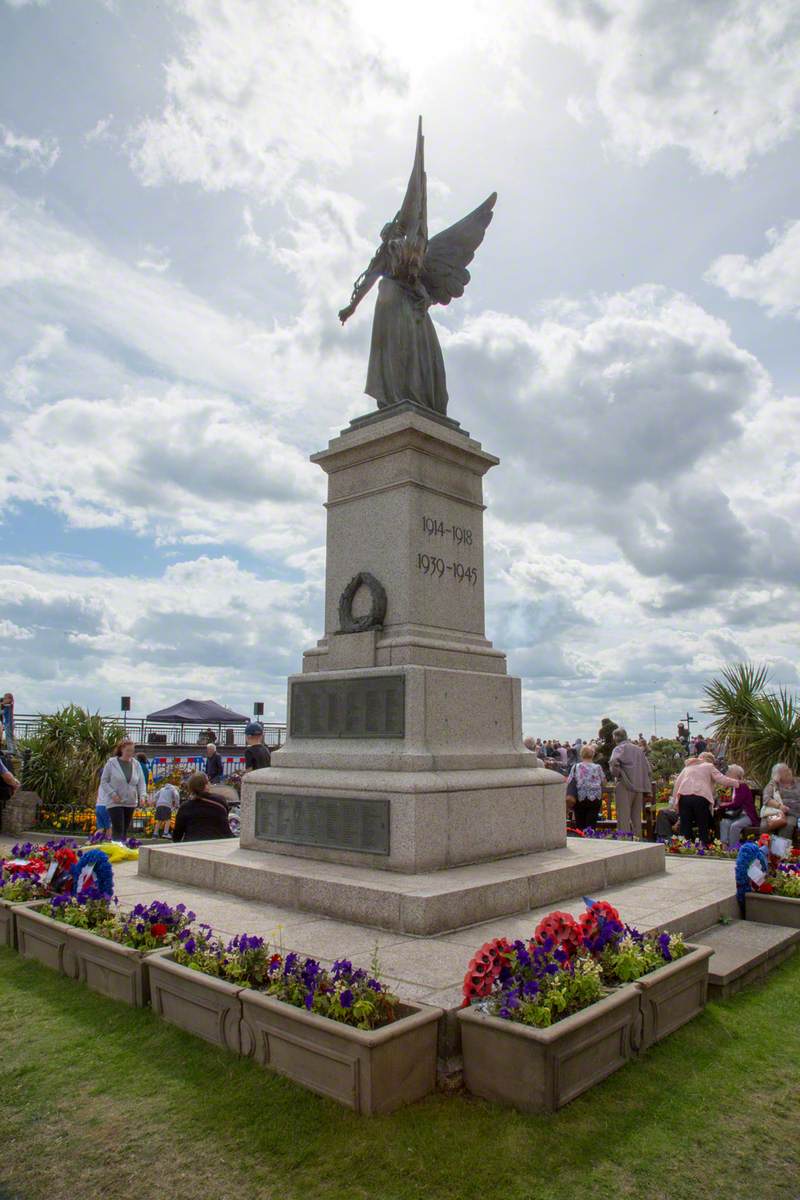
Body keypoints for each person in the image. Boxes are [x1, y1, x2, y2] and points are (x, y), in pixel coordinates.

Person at [671, 751, 739, 845]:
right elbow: (721, 779)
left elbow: (677, 784)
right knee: (702, 824)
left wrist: (674, 802)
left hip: (684, 797)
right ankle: (704, 846)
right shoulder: (709, 766)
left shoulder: (688, 767)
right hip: (700, 797)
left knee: (685, 825)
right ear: (710, 760)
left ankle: (684, 847)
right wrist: (737, 783)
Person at [97, 737, 147, 840]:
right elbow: (104, 781)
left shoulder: (136, 764)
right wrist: (112, 794)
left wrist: (143, 796)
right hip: (115, 801)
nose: (130, 753)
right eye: (128, 750)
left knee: (124, 829)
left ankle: (121, 848)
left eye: (132, 751)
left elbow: (141, 782)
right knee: (118, 827)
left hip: (130, 801)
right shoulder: (111, 763)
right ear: (122, 750)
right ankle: (116, 847)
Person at [609, 728, 652, 836]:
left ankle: (624, 844)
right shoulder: (638, 749)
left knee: (623, 818)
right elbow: (648, 769)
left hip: (624, 784)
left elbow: (613, 763)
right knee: (636, 818)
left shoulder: (619, 748)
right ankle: (638, 842)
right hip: (639, 787)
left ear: (615, 737)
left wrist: (618, 774)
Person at [172, 772, 233, 843]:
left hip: (192, 845)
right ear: (206, 785)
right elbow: (225, 826)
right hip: (217, 845)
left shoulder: (185, 807)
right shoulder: (220, 801)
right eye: (208, 782)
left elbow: (177, 835)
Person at [716, 765, 758, 848]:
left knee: (735, 826)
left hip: (746, 815)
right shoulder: (732, 787)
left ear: (735, 775)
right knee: (724, 822)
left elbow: (737, 803)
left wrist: (722, 806)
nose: (727, 774)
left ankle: (733, 849)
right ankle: (724, 846)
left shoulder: (741, 786)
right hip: (736, 815)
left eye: (729, 772)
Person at [567, 744, 606, 830]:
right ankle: (591, 840)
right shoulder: (597, 767)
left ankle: (582, 840)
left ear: (581, 754)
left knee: (580, 824)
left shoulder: (576, 767)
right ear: (592, 754)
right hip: (595, 798)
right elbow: (604, 782)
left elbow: (569, 781)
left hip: (580, 798)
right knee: (591, 825)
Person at [759, 763, 800, 841]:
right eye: (785, 771)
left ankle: (781, 852)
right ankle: (765, 850)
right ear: (778, 775)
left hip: (792, 813)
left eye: (788, 769)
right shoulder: (773, 784)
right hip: (774, 812)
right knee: (765, 826)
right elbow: (766, 799)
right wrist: (780, 806)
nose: (789, 772)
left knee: (788, 825)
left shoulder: (798, 781)